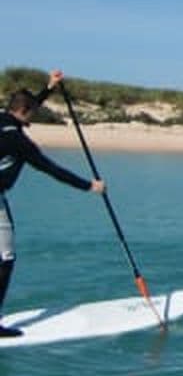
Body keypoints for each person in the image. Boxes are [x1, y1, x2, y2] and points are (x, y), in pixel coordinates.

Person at [0, 70, 105, 337]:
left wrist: (49, 88)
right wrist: (89, 186)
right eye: (32, 113)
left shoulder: (3, 117)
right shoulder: (19, 142)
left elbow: (29, 103)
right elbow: (52, 170)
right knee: (5, 258)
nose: (33, 117)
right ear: (24, 111)